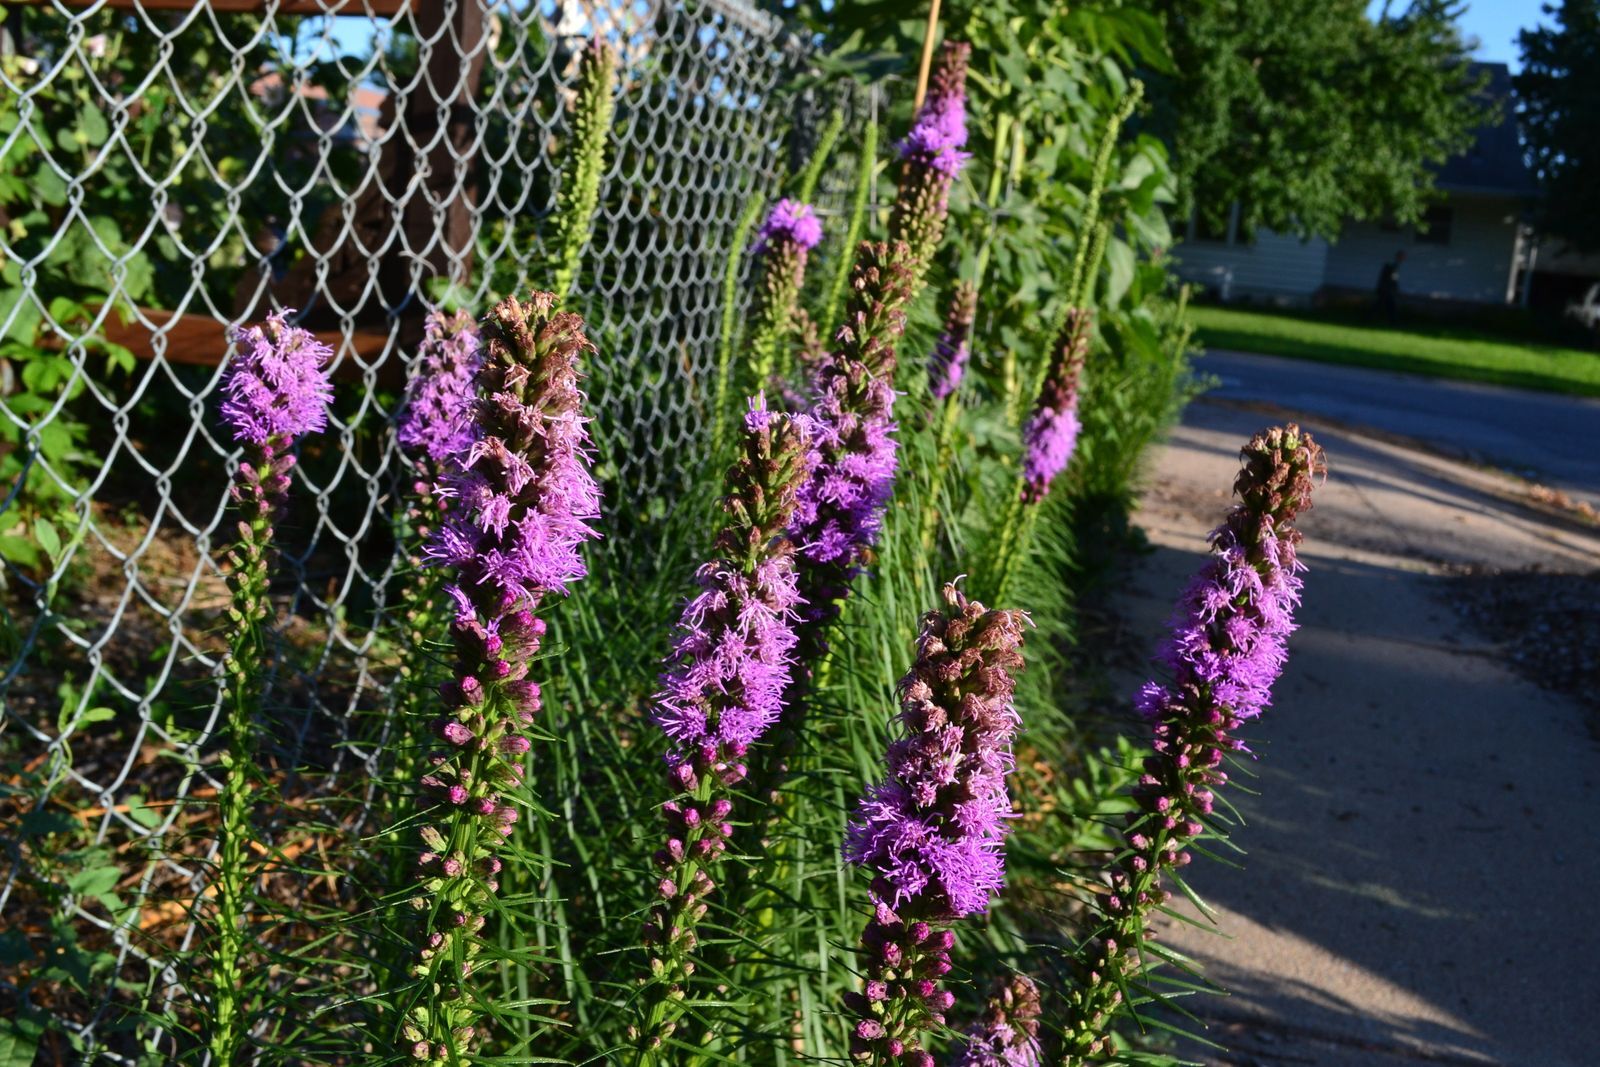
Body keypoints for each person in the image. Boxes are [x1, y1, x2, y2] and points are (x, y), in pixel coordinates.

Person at [1375, 250, 1405, 324]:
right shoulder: (1392, 265)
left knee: (1387, 306)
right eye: (1402, 256)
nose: (1403, 258)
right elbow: (1391, 279)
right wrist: (1393, 288)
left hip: (1387, 290)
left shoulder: (1396, 265)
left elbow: (1394, 279)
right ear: (1398, 256)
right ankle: (1393, 322)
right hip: (1386, 290)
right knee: (1382, 306)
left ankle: (1393, 321)